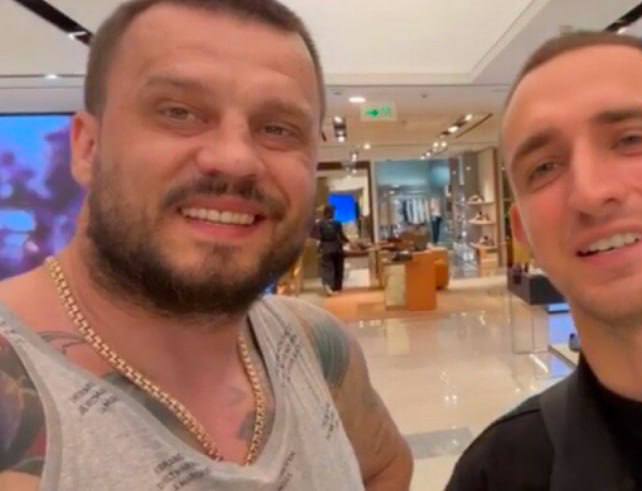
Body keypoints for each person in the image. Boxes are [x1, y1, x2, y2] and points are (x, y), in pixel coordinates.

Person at [0, 1, 413, 490]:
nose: (236, 160)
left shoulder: (314, 345)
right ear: (88, 147)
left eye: (277, 129)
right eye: (178, 113)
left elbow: (386, 466)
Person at [447, 31, 642, 490]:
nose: (589, 192)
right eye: (544, 168)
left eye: (632, 139)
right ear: (523, 231)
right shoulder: (498, 475)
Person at [315, 204, 349, 295]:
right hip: (337, 248)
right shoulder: (337, 223)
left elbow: (318, 238)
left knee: (327, 268)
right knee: (338, 268)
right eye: (333, 212)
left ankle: (328, 285)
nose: (334, 214)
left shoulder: (319, 224)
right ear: (331, 213)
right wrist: (349, 242)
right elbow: (342, 236)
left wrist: (318, 249)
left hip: (326, 248)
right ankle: (337, 288)